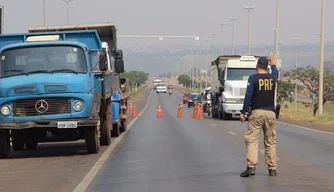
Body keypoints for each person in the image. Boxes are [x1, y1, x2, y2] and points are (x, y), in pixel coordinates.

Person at [239, 53, 278, 177]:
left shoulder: (253, 79)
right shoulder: (272, 78)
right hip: (271, 113)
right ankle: (272, 168)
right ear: (266, 67)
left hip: (257, 113)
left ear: (257, 66)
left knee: (252, 140)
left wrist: (243, 112)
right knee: (270, 141)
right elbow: (275, 74)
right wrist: (274, 64)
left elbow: (248, 96)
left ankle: (251, 167)